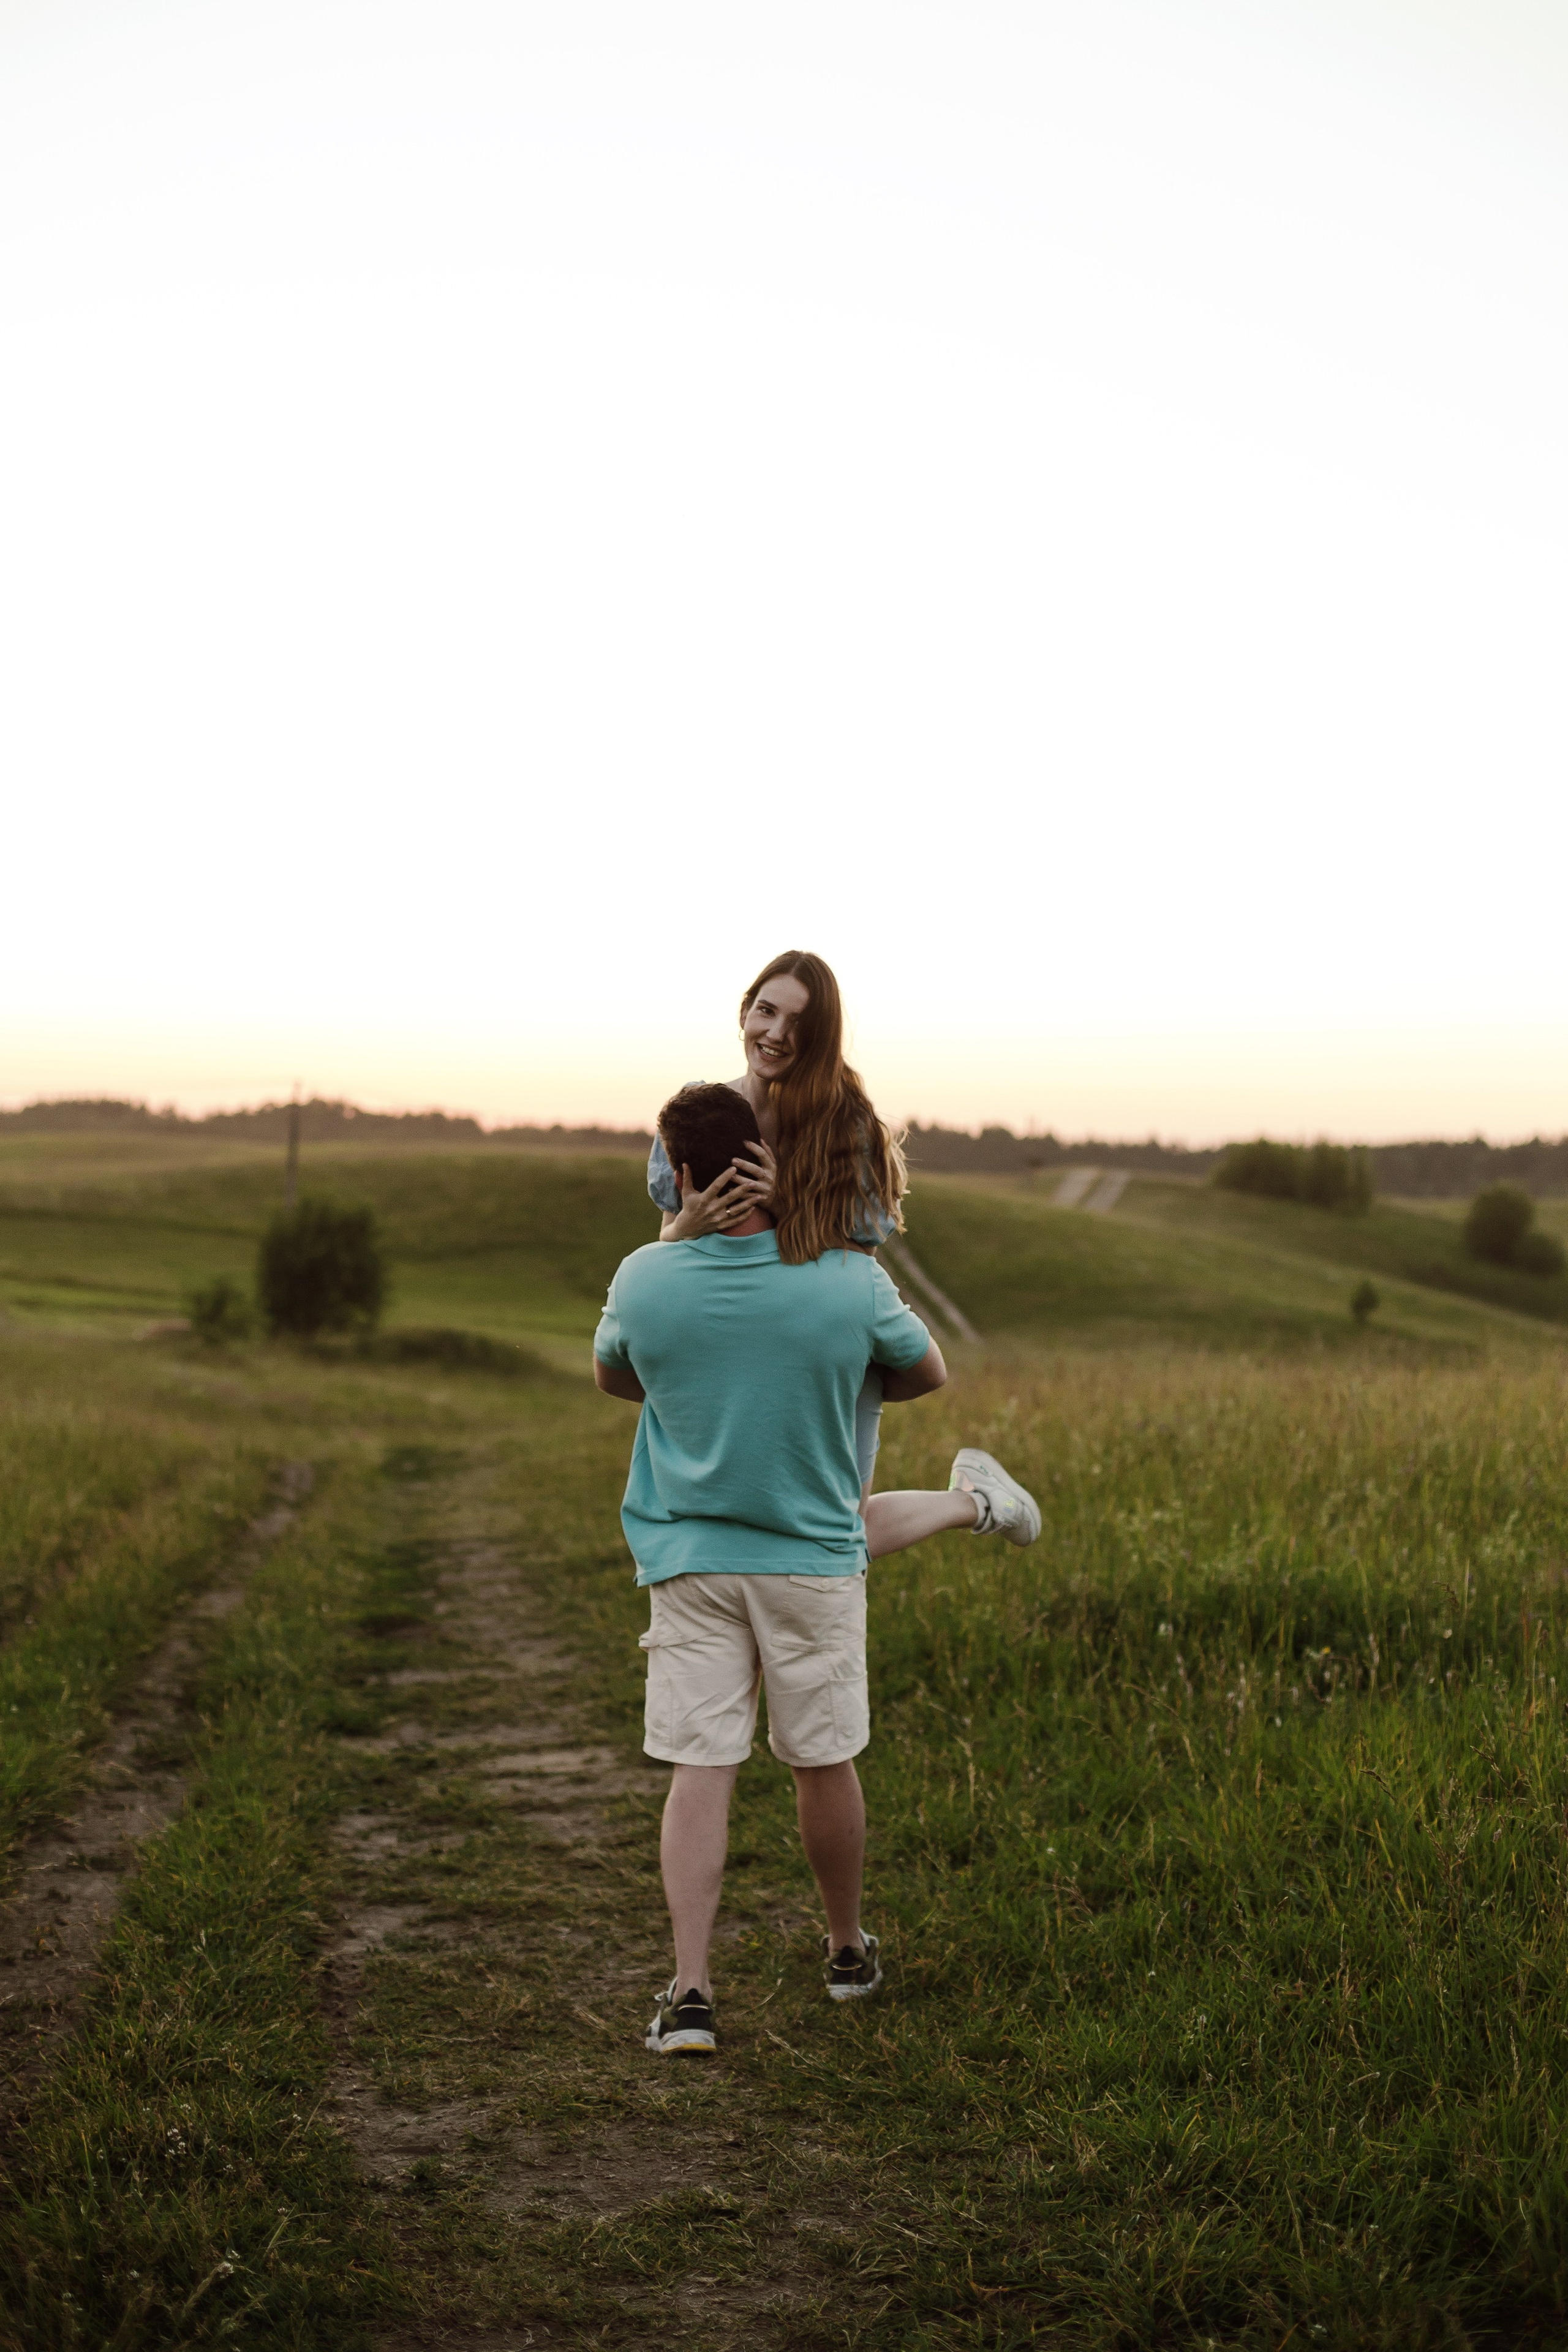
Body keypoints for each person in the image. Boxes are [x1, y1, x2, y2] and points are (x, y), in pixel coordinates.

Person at [595, 1081, 1038, 2056]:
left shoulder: (643, 1276)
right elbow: (927, 1373)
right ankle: (845, 1954)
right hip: (811, 1563)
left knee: (701, 1767)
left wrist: (676, 1249)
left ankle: (691, 1996)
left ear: (683, 1174)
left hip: (690, 1561)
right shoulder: (848, 1279)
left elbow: (616, 1374)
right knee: (821, 1759)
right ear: (765, 1162)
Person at [646, 948, 1040, 1555]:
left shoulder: (845, 1127)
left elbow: (855, 1265)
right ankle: (977, 1498)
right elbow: (665, 1248)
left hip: (826, 1341)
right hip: (734, 1341)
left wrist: (783, 1198)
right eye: (766, 1011)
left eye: (799, 1023)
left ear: (822, 1037)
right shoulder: (701, 1110)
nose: (776, 1033)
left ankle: (976, 1502)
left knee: (839, 1534)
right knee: (768, 1525)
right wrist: (684, 1230)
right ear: (744, 1012)